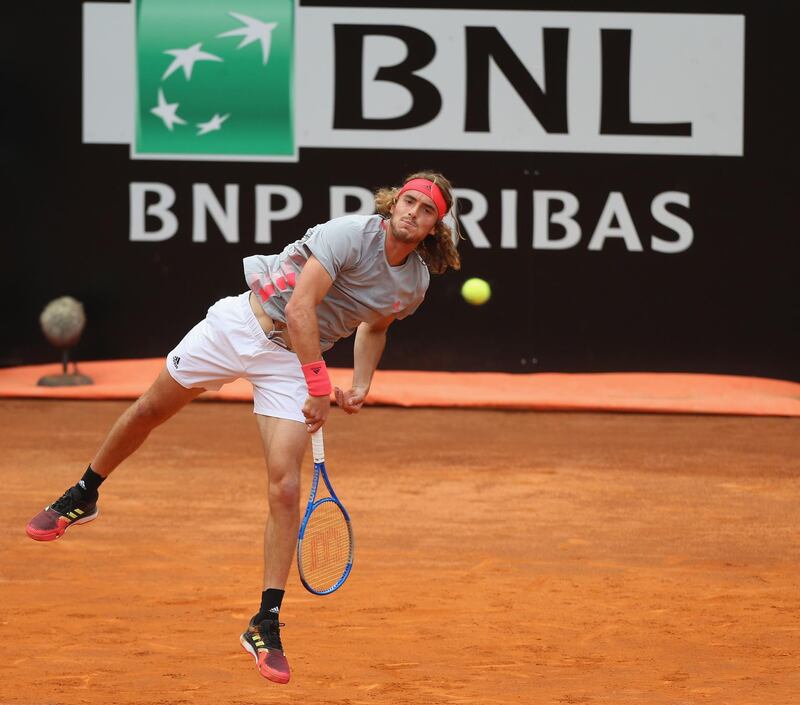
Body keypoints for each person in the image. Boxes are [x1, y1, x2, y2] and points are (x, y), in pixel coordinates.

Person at [25, 171, 461, 685]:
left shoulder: (413, 284)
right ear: (392, 206)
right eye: (407, 201)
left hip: (290, 364)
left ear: (435, 227)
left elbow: (373, 325)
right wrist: (320, 385)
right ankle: (84, 491)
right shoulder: (348, 234)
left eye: (426, 209)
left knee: (286, 484)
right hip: (244, 324)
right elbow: (300, 307)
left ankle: (265, 622)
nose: (413, 212)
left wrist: (361, 383)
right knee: (150, 409)